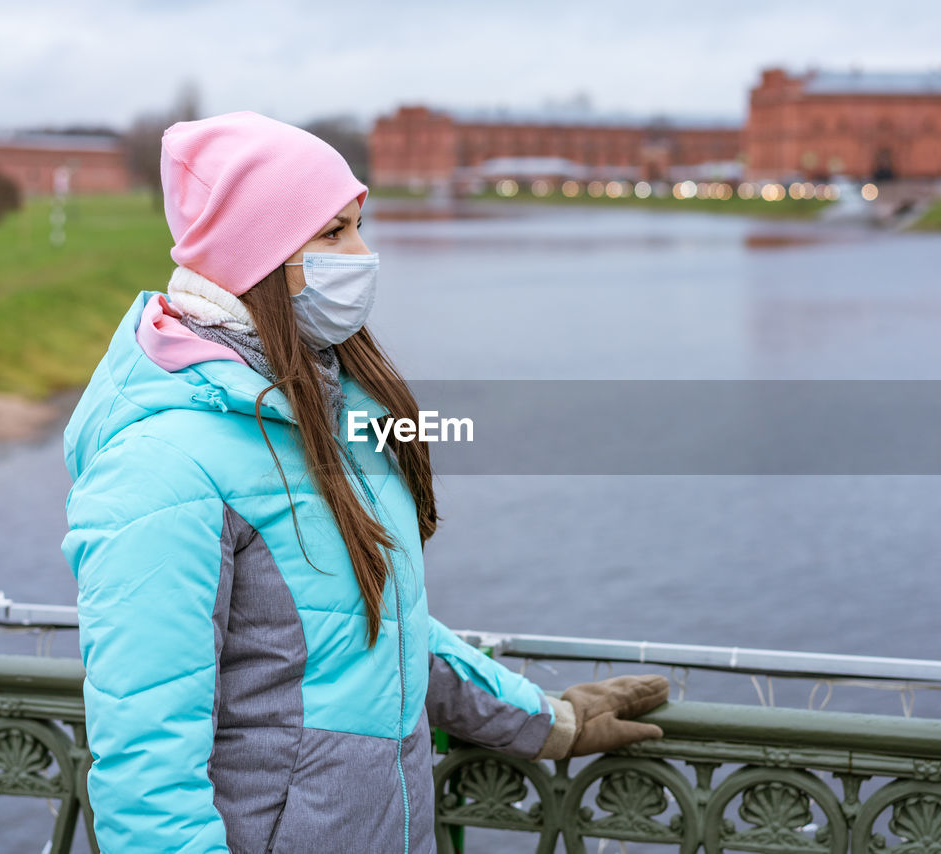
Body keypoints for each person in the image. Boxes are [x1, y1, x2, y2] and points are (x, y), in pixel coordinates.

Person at [61, 110, 668, 854]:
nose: (364, 253)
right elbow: (145, 771)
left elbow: (374, 631)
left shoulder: (324, 405)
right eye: (334, 233)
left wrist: (544, 720)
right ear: (259, 250)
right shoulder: (165, 464)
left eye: (358, 225)